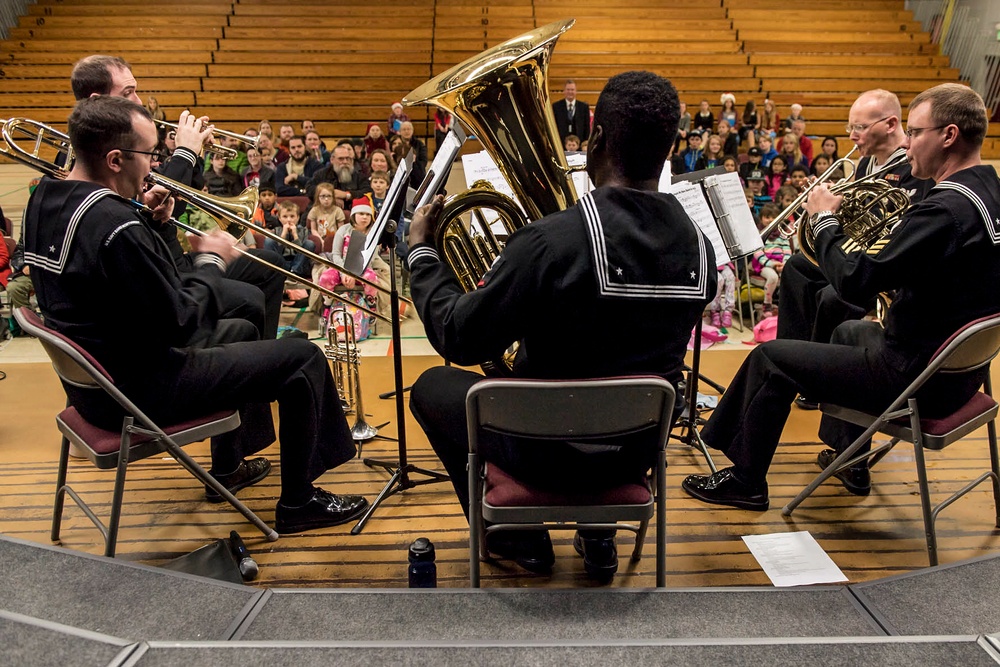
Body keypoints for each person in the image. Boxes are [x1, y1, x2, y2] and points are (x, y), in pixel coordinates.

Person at [406, 71, 715, 580]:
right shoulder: (699, 251)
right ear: (669, 148)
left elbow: (459, 337)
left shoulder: (548, 243)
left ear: (596, 140)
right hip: (632, 454)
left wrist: (422, 252)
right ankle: (600, 535)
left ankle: (517, 537)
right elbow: (624, 340)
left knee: (433, 386)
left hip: (542, 449)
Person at [23, 95, 369, 532]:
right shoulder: (115, 226)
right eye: (150, 156)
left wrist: (160, 225)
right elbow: (183, 322)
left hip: (94, 387)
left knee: (243, 326)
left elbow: (125, 287)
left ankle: (228, 467)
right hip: (139, 392)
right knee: (302, 356)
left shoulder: (46, 199)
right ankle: (299, 503)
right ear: (114, 159)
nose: (154, 169)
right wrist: (212, 260)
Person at [682, 83, 1000, 509]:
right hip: (962, 371)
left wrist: (825, 221)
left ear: (949, 135)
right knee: (849, 329)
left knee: (771, 357)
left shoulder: (944, 210)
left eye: (916, 131)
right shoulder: (988, 188)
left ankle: (746, 481)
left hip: (917, 377)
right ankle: (850, 454)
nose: (908, 143)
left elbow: (855, 281)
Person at [70, 54, 284, 340]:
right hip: (159, 274)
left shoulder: (120, 143)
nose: (138, 101)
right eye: (128, 93)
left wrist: (195, 157)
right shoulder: (92, 156)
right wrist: (185, 153)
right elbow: (122, 221)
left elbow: (174, 199)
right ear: (97, 100)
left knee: (271, 264)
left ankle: (265, 355)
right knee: (249, 299)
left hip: (168, 254)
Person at [777, 89, 933, 410]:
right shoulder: (864, 164)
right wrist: (828, 206)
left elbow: (894, 231)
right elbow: (855, 217)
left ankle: (818, 376)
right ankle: (791, 358)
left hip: (879, 264)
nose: (851, 136)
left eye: (859, 128)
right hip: (853, 250)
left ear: (890, 124)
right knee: (796, 267)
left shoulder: (914, 167)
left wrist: (828, 221)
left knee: (833, 296)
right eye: (851, 127)